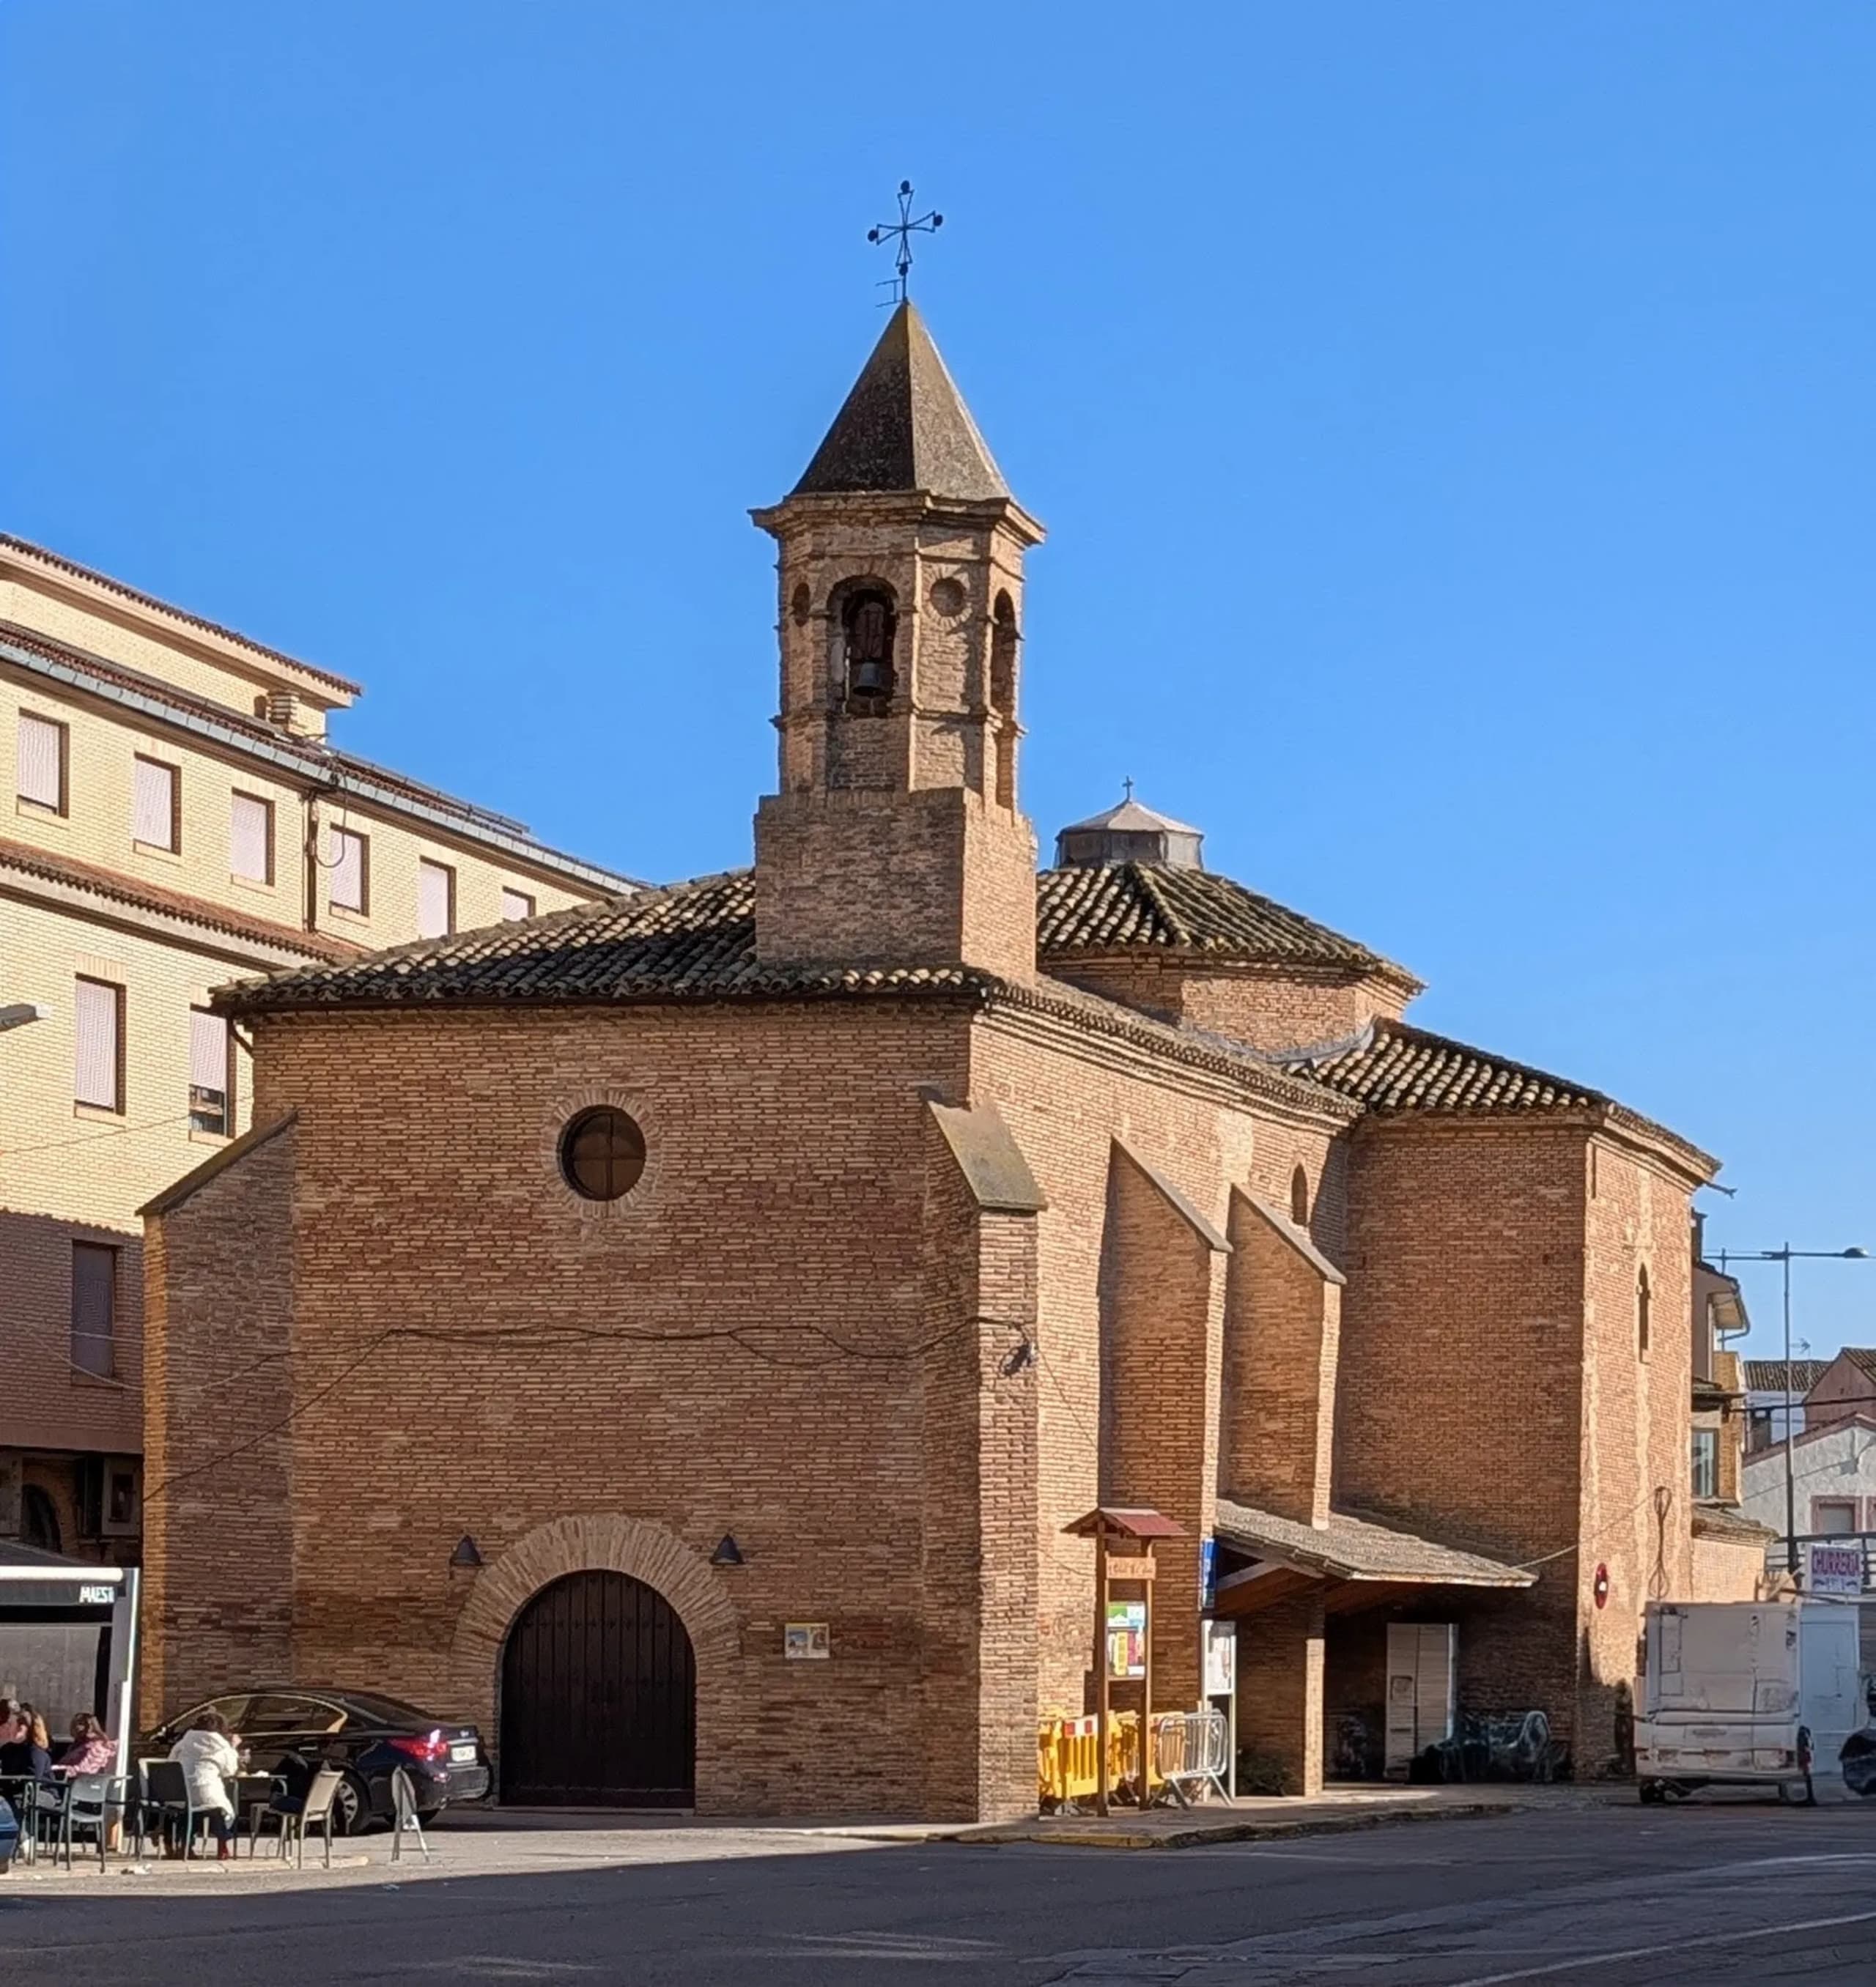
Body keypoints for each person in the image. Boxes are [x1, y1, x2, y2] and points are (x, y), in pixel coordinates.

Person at [167, 1709, 241, 1860]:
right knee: (216, 1809)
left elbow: (171, 1762)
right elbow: (230, 1771)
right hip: (207, 1792)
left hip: (180, 1792)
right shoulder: (222, 1746)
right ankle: (223, 1844)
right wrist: (233, 1747)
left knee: (189, 1810)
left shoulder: (183, 1743)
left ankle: (186, 1845)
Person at [0, 1705, 52, 1783]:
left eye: (10, 1724)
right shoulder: (7, 1749)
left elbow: (31, 1782)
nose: (6, 1727)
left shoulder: (35, 1753)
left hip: (37, 1789)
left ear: (21, 1729)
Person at [56, 1712, 116, 1778]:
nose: (77, 1727)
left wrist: (57, 1769)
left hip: (82, 1779)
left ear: (92, 1726)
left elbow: (85, 1769)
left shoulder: (96, 1746)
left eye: (81, 1724)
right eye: (76, 1724)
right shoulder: (77, 1743)